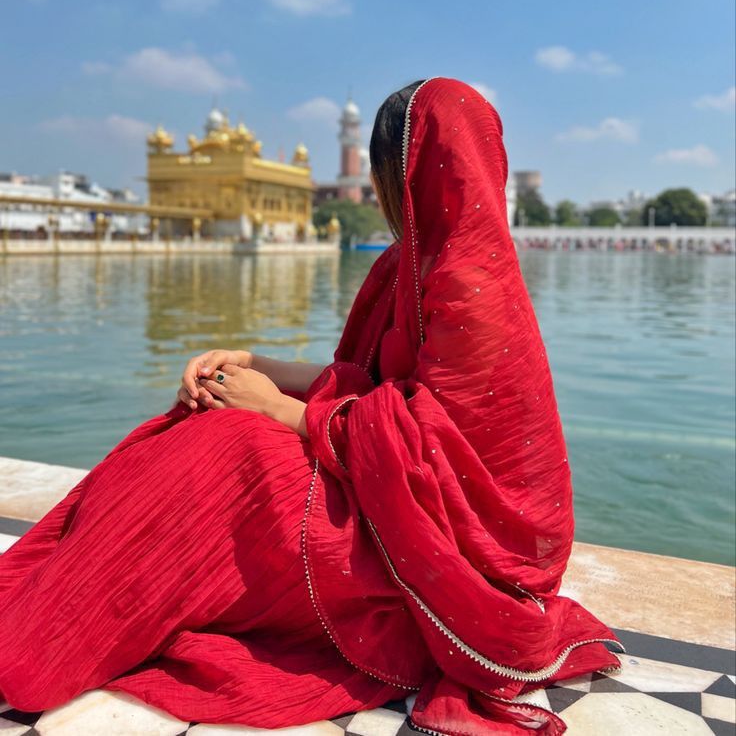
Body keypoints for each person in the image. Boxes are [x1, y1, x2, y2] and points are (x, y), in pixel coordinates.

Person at [0, 77, 624, 735]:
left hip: (455, 550)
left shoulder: (470, 282)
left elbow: (433, 446)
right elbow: (367, 380)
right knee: (205, 420)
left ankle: (55, 635)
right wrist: (251, 363)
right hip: (396, 501)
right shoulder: (410, 264)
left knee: (233, 454)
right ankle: (68, 599)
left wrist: (279, 411)